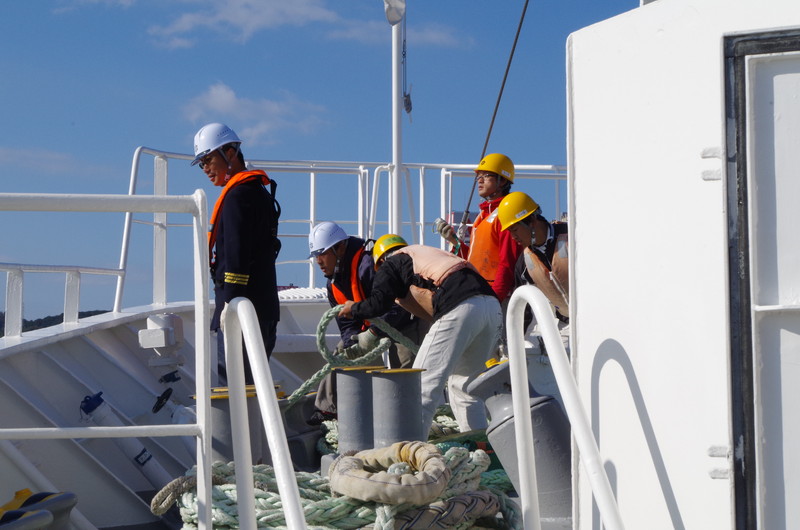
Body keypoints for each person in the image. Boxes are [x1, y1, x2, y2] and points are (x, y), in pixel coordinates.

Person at [338, 234, 503, 436]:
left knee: (421, 386)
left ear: (379, 261)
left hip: (459, 307)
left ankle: (412, 449)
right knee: (464, 388)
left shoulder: (391, 263)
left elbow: (378, 303)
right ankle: (479, 443)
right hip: (491, 307)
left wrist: (353, 308)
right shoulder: (424, 255)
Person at [306, 222, 428, 425]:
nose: (318, 261)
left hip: (406, 320)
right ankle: (328, 410)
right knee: (342, 352)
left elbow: (398, 306)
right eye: (315, 255)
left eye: (323, 253)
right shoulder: (333, 285)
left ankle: (409, 421)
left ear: (340, 248)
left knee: (404, 371)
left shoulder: (368, 266)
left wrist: (373, 333)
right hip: (372, 327)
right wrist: (353, 342)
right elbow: (346, 325)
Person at [191, 122, 281, 385]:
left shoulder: (237, 197)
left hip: (242, 310)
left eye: (208, 159)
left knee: (236, 390)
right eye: (201, 163)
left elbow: (236, 257)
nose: (205, 169)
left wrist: (229, 307)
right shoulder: (257, 192)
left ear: (230, 153)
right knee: (252, 388)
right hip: (262, 308)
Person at [434, 153, 522, 304]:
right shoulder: (482, 217)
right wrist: (455, 242)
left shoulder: (506, 213)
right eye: (478, 176)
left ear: (502, 181)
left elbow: (508, 263)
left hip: (498, 298)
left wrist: (494, 301)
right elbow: (474, 259)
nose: (479, 180)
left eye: (486, 176)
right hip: (480, 294)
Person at [496, 191, 569, 348]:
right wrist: (513, 344)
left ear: (532, 221)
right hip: (566, 325)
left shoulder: (571, 236)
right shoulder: (524, 263)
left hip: (596, 316)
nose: (513, 237)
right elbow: (523, 309)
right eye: (509, 232)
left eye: (515, 230)